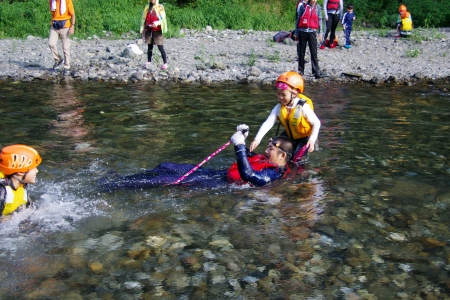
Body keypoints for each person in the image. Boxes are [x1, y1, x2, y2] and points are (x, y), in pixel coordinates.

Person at [99, 125, 293, 191]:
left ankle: (114, 185)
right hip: (215, 174)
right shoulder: (266, 160)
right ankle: (124, 179)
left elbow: (250, 175)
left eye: (271, 149)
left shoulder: (273, 174)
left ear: (282, 155)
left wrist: (240, 146)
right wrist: (243, 136)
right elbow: (249, 158)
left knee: (165, 180)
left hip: (218, 184)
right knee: (165, 165)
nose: (266, 151)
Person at [249, 71, 321, 163]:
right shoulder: (279, 107)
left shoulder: (303, 107)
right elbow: (268, 123)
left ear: (294, 94)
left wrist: (311, 140)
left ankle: (299, 172)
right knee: (275, 147)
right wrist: (257, 139)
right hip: (289, 135)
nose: (280, 97)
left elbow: (316, 123)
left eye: (283, 95)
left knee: (295, 160)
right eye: (278, 94)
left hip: (304, 138)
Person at [0, 145, 42, 217]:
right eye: (34, 168)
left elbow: (32, 212)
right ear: (20, 172)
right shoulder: (2, 191)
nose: (37, 171)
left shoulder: (21, 185)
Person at [294, 0, 325, 79]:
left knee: (314, 52)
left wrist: (320, 33)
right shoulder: (302, 7)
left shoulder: (317, 8)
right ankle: (301, 70)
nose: (314, 0)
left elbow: (320, 20)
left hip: (312, 32)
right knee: (301, 52)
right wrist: (296, 32)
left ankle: (315, 72)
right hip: (302, 31)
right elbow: (298, 19)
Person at [140, 0, 168, 70]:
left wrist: (157, 23)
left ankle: (165, 63)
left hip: (157, 30)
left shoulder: (160, 7)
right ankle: (149, 62)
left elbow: (163, 19)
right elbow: (144, 18)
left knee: (160, 47)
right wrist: (142, 28)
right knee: (150, 47)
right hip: (149, 30)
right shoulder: (147, 7)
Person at [48, 0, 76, 73]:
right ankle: (58, 60)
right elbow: (53, 13)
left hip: (65, 25)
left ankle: (67, 66)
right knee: (51, 43)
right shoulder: (51, 1)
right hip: (54, 25)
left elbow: (73, 14)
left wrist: (72, 26)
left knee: (65, 47)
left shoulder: (67, 1)